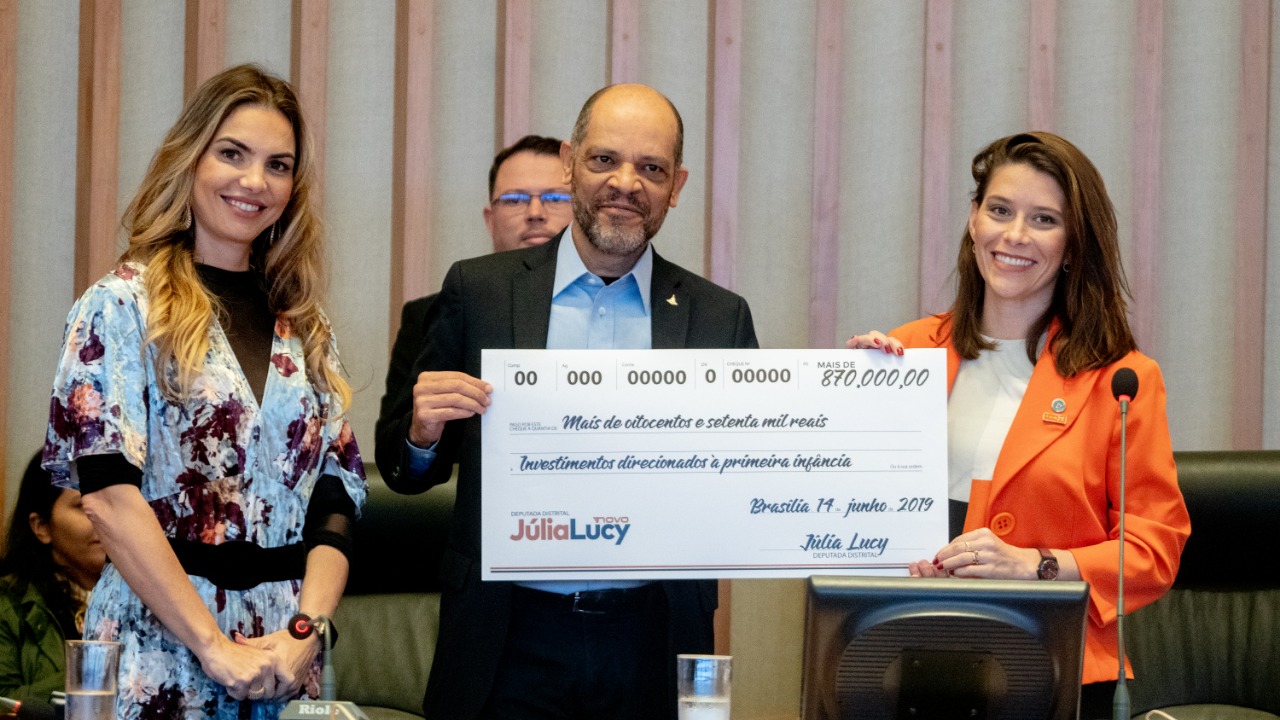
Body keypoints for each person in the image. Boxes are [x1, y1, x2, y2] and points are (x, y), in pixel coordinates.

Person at [375, 83, 758, 720]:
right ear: (569, 162)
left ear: (677, 185)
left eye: (652, 168)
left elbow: (755, 474)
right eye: (605, 160)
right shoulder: (480, 291)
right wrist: (421, 434)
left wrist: (862, 385)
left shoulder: (718, 318)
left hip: (652, 635)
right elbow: (403, 471)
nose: (626, 184)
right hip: (506, 635)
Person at [42, 64, 366, 720]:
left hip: (282, 659)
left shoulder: (303, 322)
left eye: (278, 165)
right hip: (156, 648)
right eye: (232, 154)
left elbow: (336, 496)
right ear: (189, 159)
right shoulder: (121, 305)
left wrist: (307, 632)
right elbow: (107, 496)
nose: (255, 182)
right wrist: (213, 646)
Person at [848, 131, 1190, 718]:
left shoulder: (1122, 380)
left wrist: (1038, 565)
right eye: (1000, 210)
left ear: (1074, 244)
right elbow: (847, 513)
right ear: (973, 220)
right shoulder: (904, 353)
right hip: (905, 654)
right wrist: (845, 399)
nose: (1014, 235)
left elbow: (1153, 549)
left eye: (1044, 220)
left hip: (1054, 668)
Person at [380, 135, 572, 433]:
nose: (536, 213)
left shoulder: (615, 305)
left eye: (556, 198)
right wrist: (420, 433)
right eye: (515, 199)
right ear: (490, 220)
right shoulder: (427, 317)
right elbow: (393, 455)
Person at [0, 453, 106, 712]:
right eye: (84, 505)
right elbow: (4, 702)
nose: (105, 517)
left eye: (112, 504)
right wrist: (101, 667)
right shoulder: (7, 603)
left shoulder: (150, 599)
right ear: (42, 527)